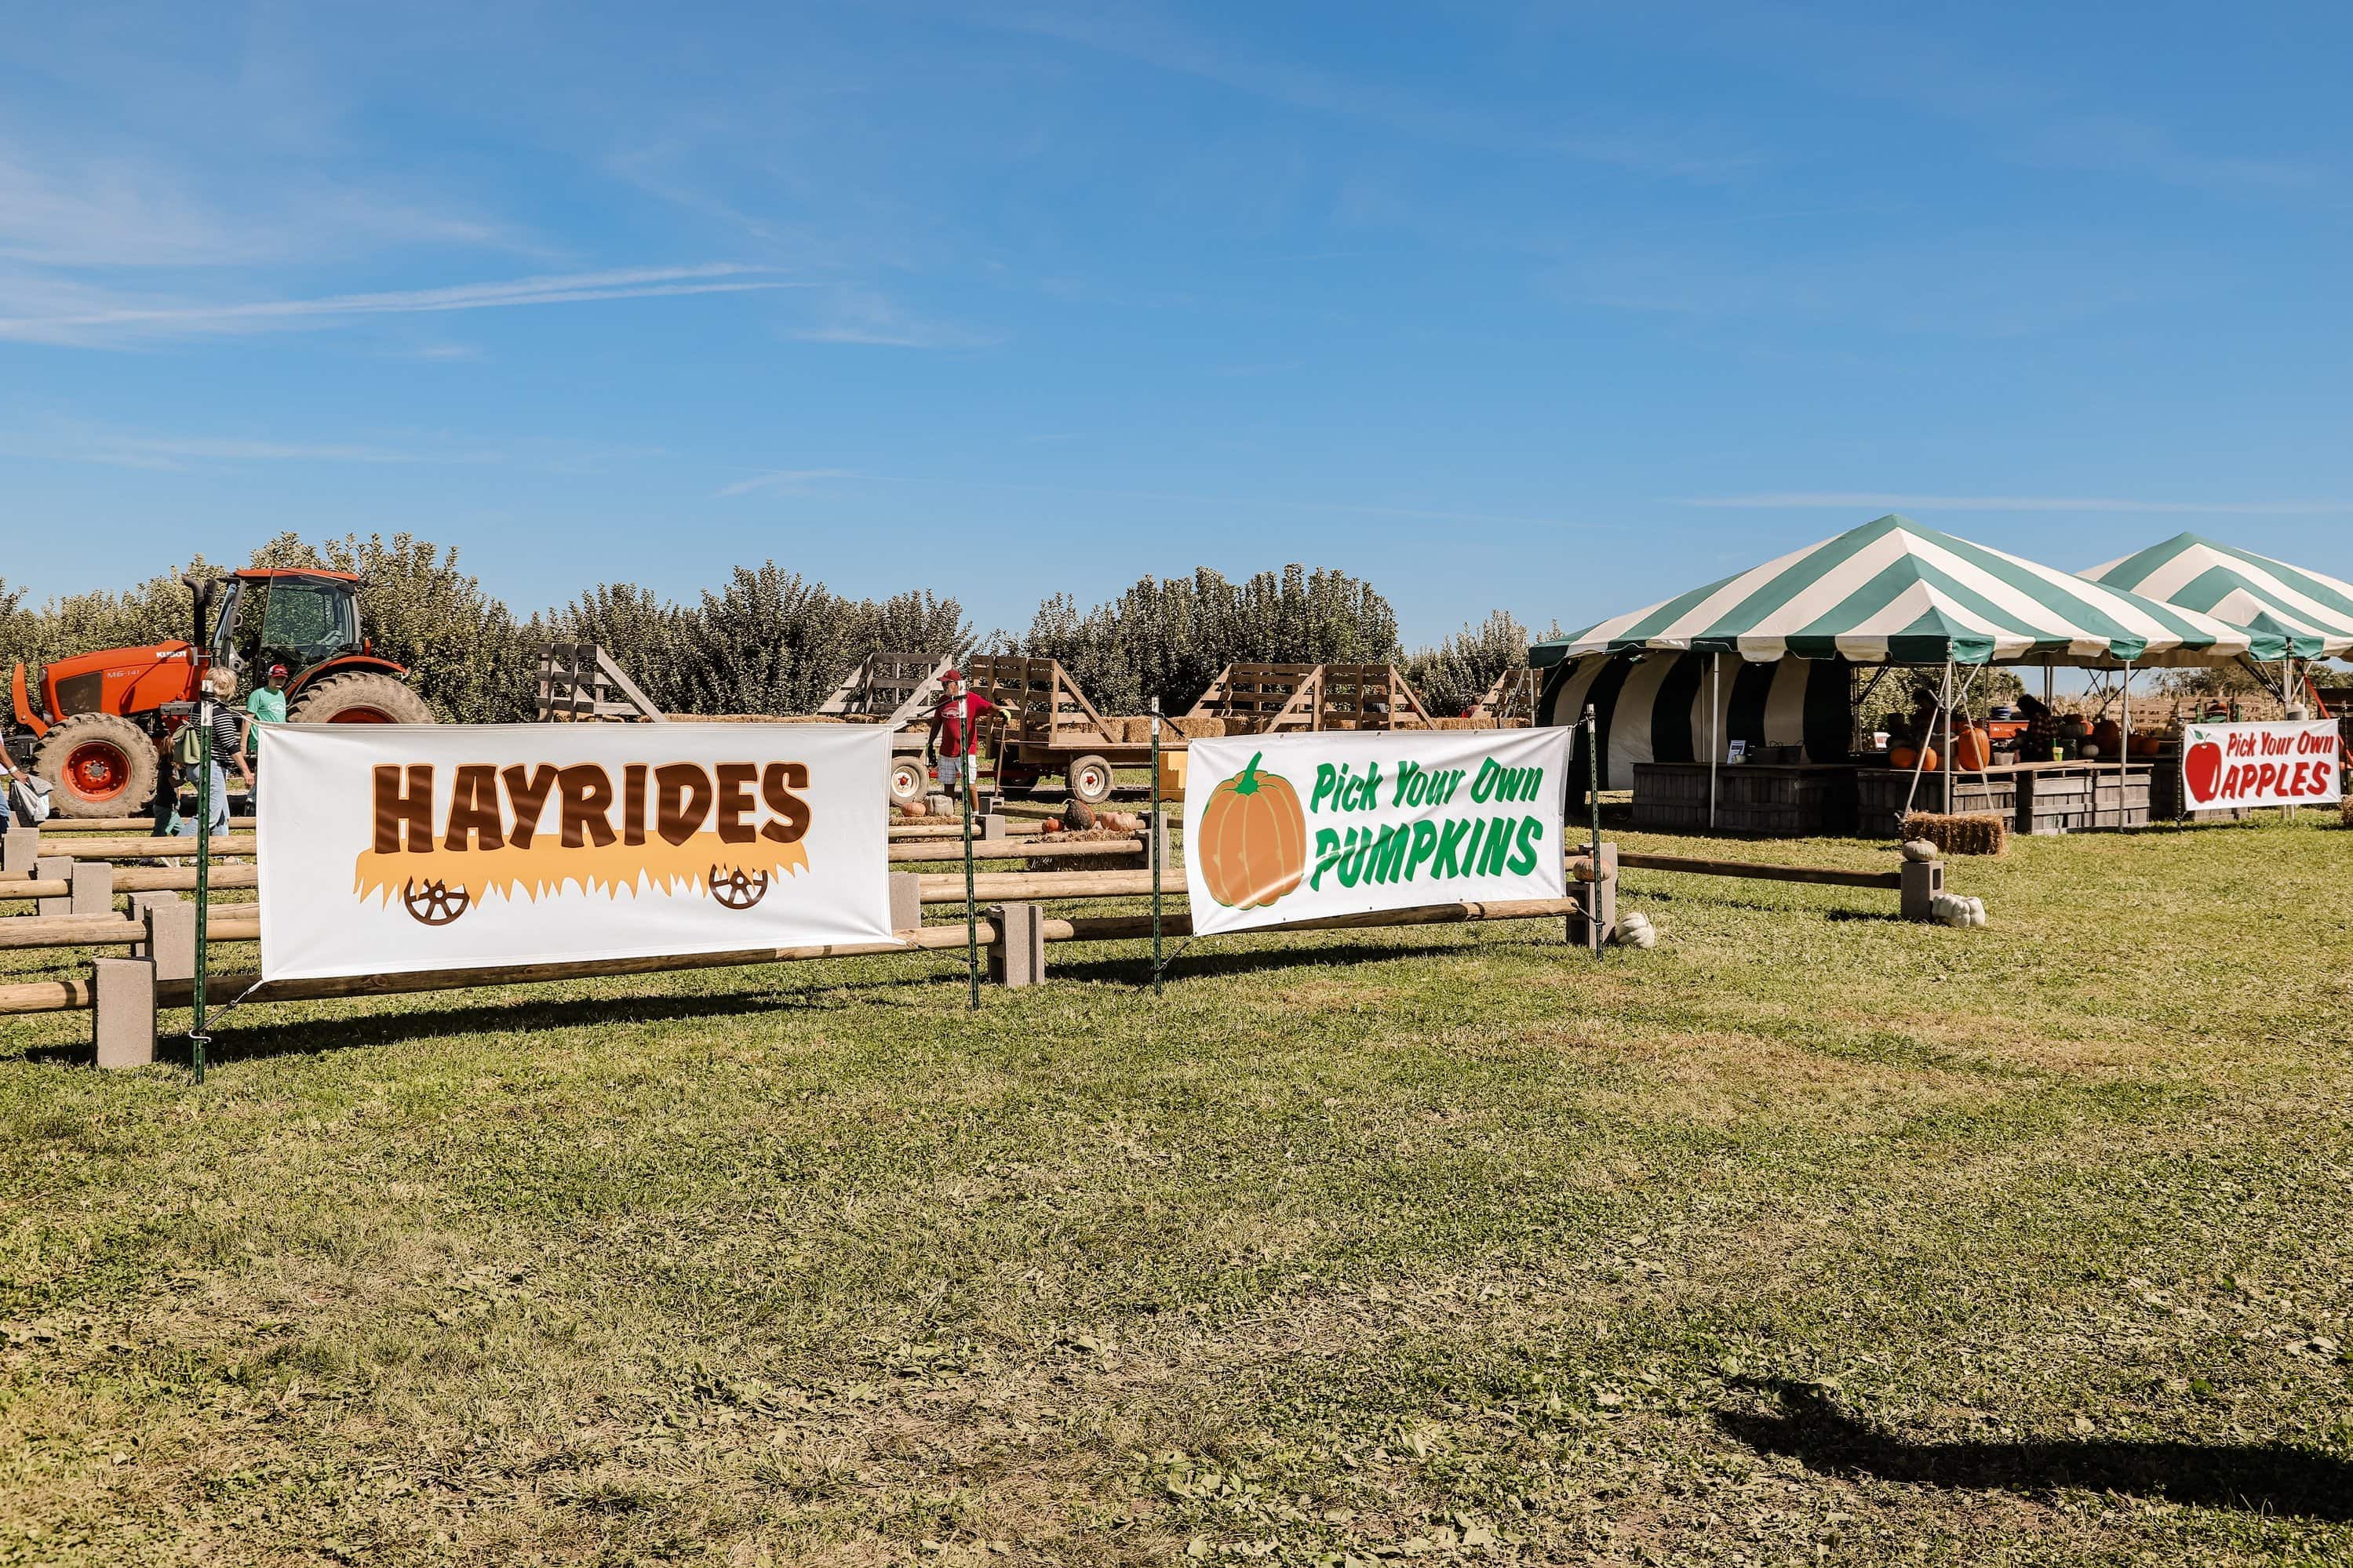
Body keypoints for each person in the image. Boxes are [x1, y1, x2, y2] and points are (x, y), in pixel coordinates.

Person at [174, 667, 254, 839]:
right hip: (212, 767)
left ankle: (224, 853)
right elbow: (231, 745)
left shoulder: (198, 707)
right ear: (229, 687)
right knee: (209, 815)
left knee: (222, 815)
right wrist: (246, 771)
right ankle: (172, 850)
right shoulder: (220, 713)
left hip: (197, 766)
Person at [924, 668, 997, 802]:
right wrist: (930, 743)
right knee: (948, 786)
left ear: (956, 683)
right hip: (947, 751)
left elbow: (989, 707)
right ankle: (950, 813)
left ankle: (975, 814)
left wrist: (1002, 712)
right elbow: (936, 723)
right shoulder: (943, 701)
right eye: (942, 684)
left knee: (969, 785)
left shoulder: (970, 699)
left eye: (946, 683)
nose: (944, 686)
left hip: (966, 751)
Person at [244, 662, 289, 808]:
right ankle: (252, 803)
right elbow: (247, 720)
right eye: (277, 678)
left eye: (282, 678)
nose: (280, 681)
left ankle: (267, 802)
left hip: (277, 741)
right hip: (262, 740)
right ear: (269, 678)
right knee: (264, 772)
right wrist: (242, 745)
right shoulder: (258, 695)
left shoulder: (281, 695)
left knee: (273, 773)